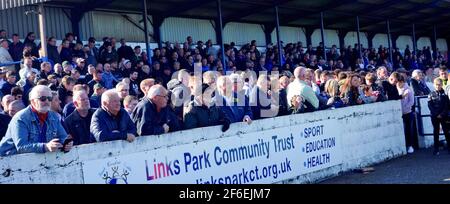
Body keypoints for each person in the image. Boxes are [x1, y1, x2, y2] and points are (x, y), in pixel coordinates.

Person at [0, 85, 72, 156]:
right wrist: (46, 147)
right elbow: (21, 147)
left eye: (49, 98)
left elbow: (63, 137)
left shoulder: (54, 116)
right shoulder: (20, 118)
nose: (47, 101)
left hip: (37, 161)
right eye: (43, 98)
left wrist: (67, 144)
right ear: (32, 101)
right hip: (9, 161)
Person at [393, 73, 415, 154]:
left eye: (399, 82)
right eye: (397, 82)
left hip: (407, 113)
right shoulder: (396, 89)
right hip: (399, 113)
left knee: (408, 130)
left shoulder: (408, 89)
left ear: (402, 82)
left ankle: (410, 145)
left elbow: (411, 102)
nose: (398, 84)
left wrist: (405, 107)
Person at [427, 78, 450, 155]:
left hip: (444, 116)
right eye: (436, 85)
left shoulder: (445, 94)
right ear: (434, 85)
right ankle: (436, 149)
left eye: (439, 85)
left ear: (442, 85)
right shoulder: (430, 94)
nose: (438, 86)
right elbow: (430, 106)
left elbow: (447, 106)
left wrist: (442, 114)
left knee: (446, 131)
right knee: (436, 132)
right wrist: (436, 114)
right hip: (434, 116)